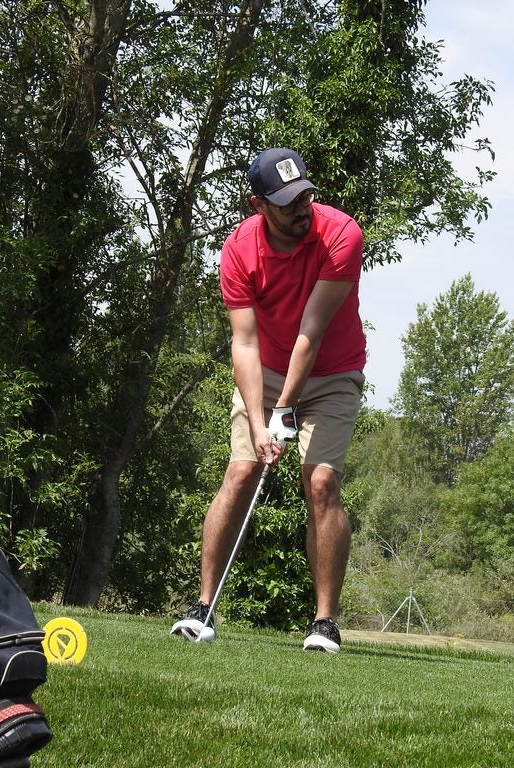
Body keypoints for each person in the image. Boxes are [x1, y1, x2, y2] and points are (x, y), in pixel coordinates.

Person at [171, 147, 366, 653]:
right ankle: (202, 608)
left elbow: (311, 332)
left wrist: (285, 411)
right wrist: (261, 422)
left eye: (304, 196)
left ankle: (324, 622)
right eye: (286, 203)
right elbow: (245, 343)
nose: (300, 209)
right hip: (266, 369)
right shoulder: (238, 250)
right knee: (240, 473)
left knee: (320, 482)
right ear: (259, 204)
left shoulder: (342, 235)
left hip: (332, 370)